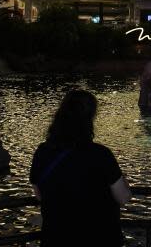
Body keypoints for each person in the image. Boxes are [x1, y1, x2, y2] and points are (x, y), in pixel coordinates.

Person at [30, 90, 131, 246]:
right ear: (90, 118)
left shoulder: (43, 152)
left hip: (56, 238)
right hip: (99, 237)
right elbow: (123, 197)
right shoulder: (101, 155)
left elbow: (39, 193)